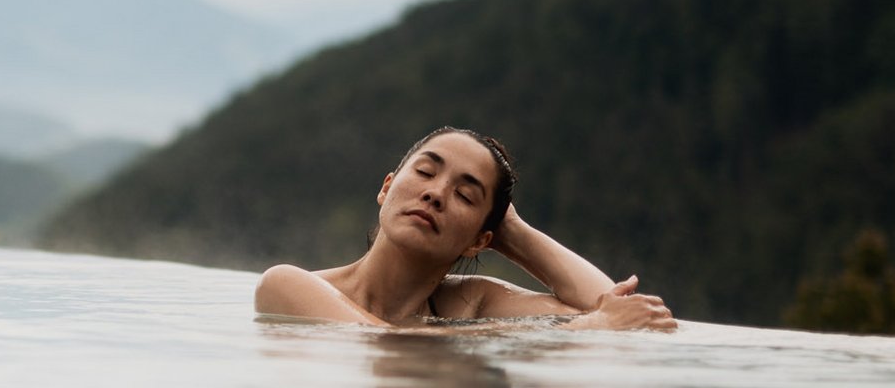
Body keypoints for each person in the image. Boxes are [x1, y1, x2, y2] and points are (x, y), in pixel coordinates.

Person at [254, 126, 677, 331]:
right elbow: (376, 342)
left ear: (481, 240)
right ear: (387, 188)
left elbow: (607, 305)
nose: (436, 194)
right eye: (424, 171)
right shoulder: (288, 285)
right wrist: (589, 329)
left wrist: (513, 230)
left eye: (465, 195)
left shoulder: (470, 303)